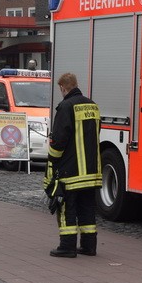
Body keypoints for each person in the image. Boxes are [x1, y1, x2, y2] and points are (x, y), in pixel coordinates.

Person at [45, 72, 102, 258]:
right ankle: (89, 246)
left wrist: (52, 161)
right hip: (92, 171)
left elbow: (59, 142)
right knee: (87, 208)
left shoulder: (65, 107)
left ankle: (67, 246)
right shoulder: (93, 106)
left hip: (72, 170)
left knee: (66, 208)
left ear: (63, 87)